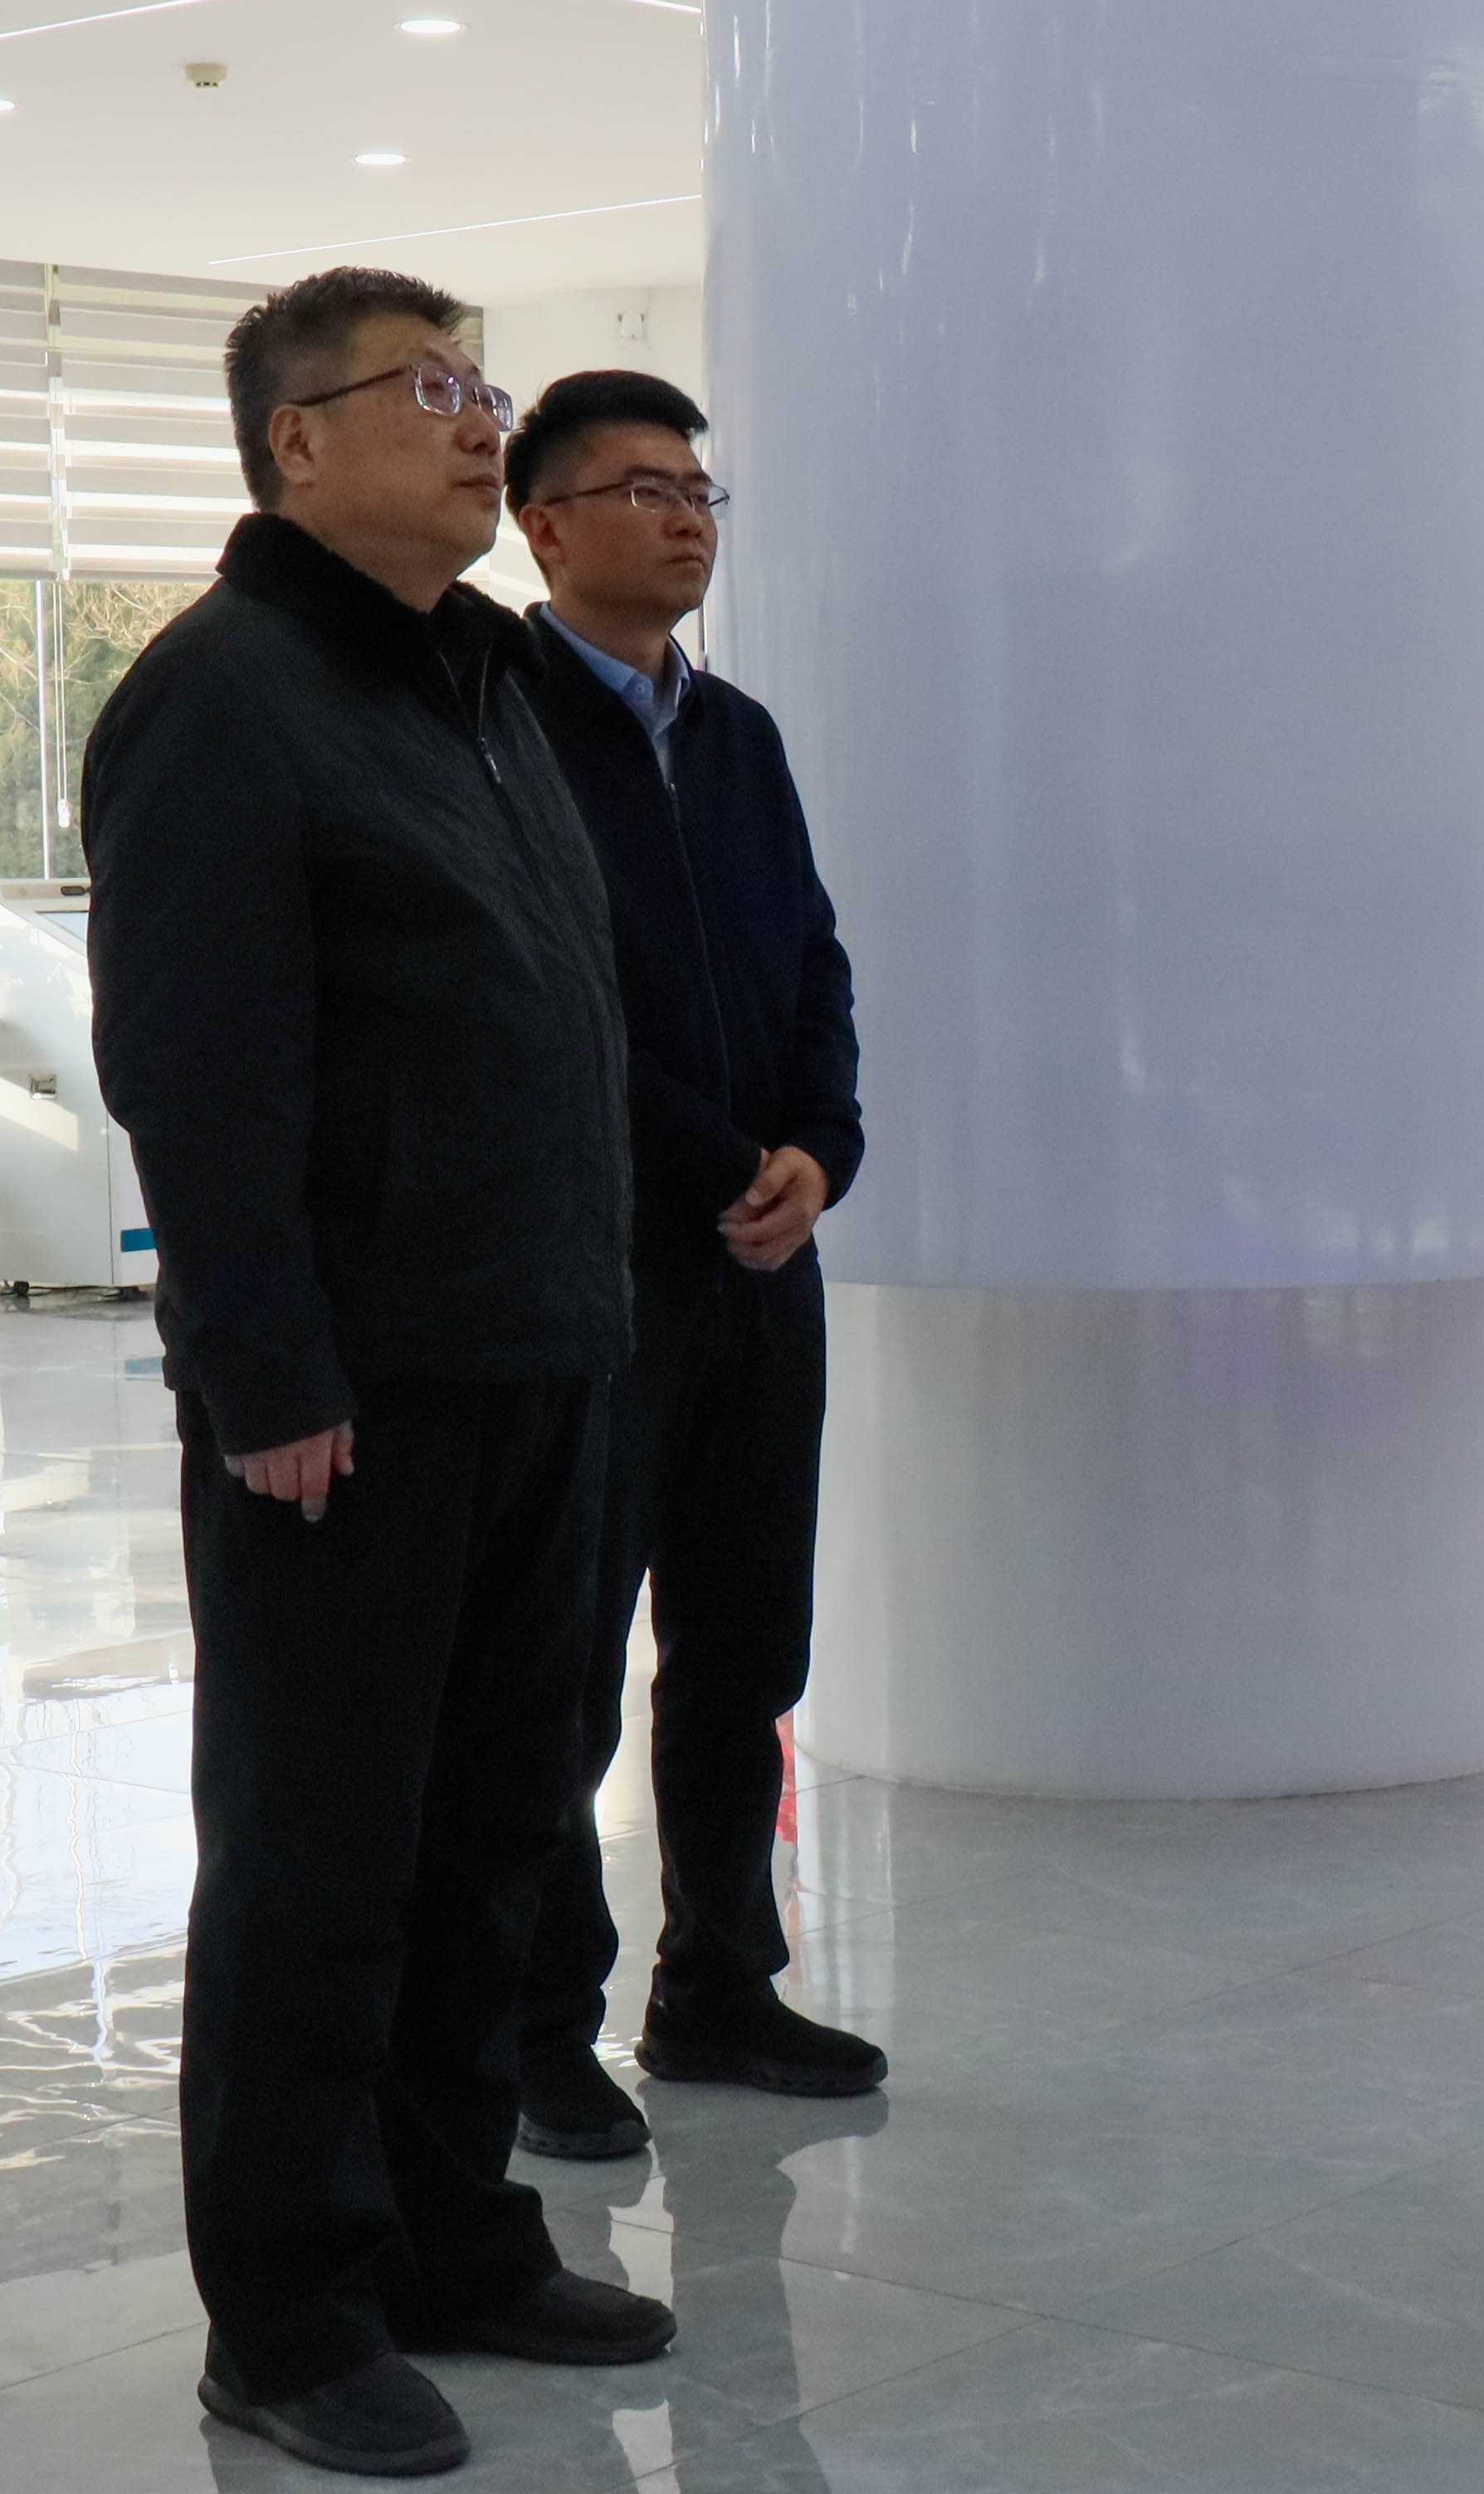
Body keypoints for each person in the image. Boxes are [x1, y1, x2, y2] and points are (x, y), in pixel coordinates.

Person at [80, 267, 667, 2478]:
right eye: (428, 389)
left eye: (481, 384)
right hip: (354, 1394)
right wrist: (262, 1371)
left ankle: (450, 2235)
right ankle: (293, 2310)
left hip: (541, 1352)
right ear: (295, 442)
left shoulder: (484, 676)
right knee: (322, 1863)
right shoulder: (224, 694)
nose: (477, 420)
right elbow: (198, 1063)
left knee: (495, 1836)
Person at [496, 370, 881, 2161]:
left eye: (698, 490)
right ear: (544, 526)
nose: (683, 518)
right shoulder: (495, 719)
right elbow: (548, 1005)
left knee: (743, 1648)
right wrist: (727, 1162)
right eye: (640, 488)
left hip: (761, 1266)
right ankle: (532, 2024)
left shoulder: (737, 735)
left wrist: (820, 1148)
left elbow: (812, 958)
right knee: (562, 1668)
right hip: (600, 1268)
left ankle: (720, 1981)